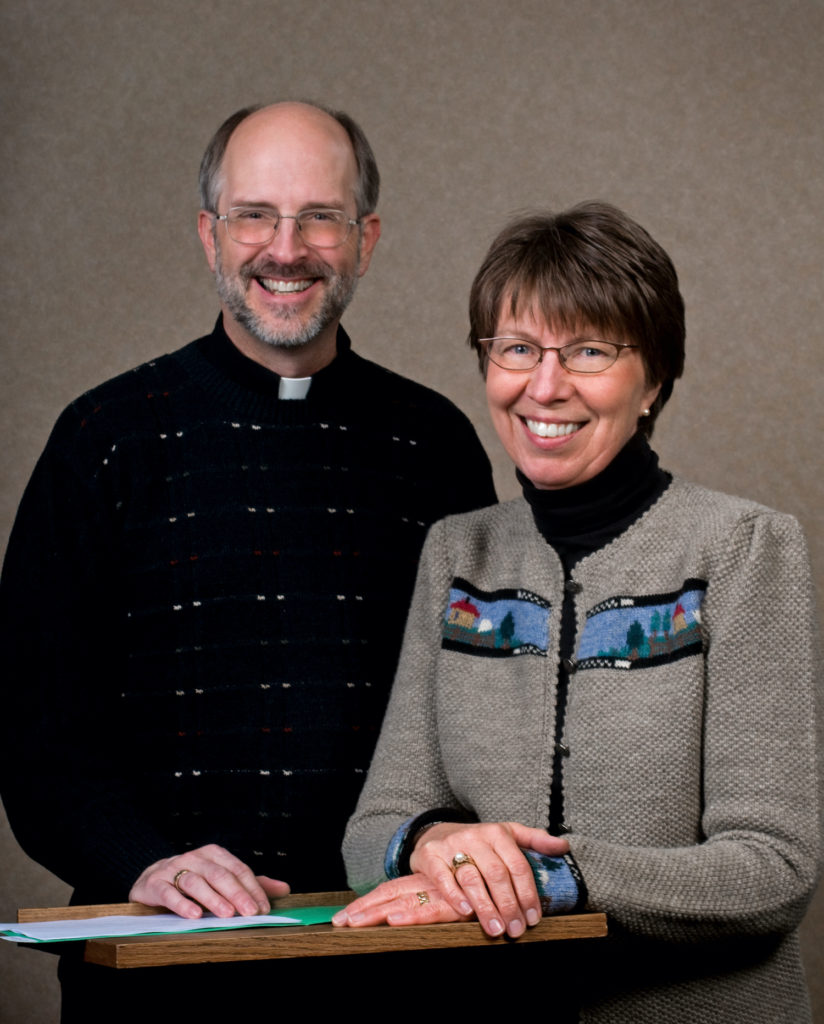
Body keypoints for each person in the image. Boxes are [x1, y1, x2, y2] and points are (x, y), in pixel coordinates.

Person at [0, 101, 495, 1016]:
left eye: (321, 217)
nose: (286, 248)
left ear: (368, 238)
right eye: (254, 215)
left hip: (396, 966)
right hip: (158, 976)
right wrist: (141, 862)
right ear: (208, 234)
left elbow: (478, 712)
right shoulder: (104, 438)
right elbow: (32, 727)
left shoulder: (436, 444)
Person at [335, 203, 821, 1022]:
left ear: (655, 379)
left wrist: (550, 878)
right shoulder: (458, 556)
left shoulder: (742, 547)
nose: (545, 385)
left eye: (590, 351)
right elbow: (371, 828)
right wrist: (429, 843)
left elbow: (773, 867)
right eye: (517, 349)